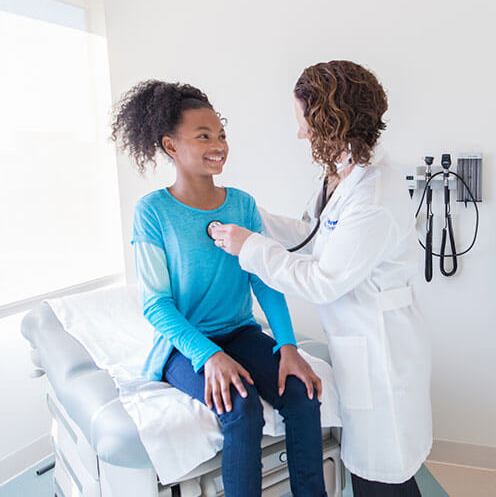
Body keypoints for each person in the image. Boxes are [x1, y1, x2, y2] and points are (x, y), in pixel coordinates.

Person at [212, 61, 432, 496]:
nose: (300, 134)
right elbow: (317, 238)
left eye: (303, 123)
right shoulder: (344, 175)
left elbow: (323, 279)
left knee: (383, 477)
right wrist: (255, 222)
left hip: (380, 349)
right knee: (373, 471)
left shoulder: (372, 195)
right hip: (359, 341)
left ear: (329, 121)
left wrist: (249, 249)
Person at [110, 80, 326, 497]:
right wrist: (209, 356)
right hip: (185, 344)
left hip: (240, 331)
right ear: (171, 146)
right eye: (203, 136)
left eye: (221, 134)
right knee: (240, 408)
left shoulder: (241, 203)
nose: (219, 145)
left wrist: (288, 346)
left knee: (301, 393)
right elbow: (156, 304)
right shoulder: (152, 212)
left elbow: (263, 280)